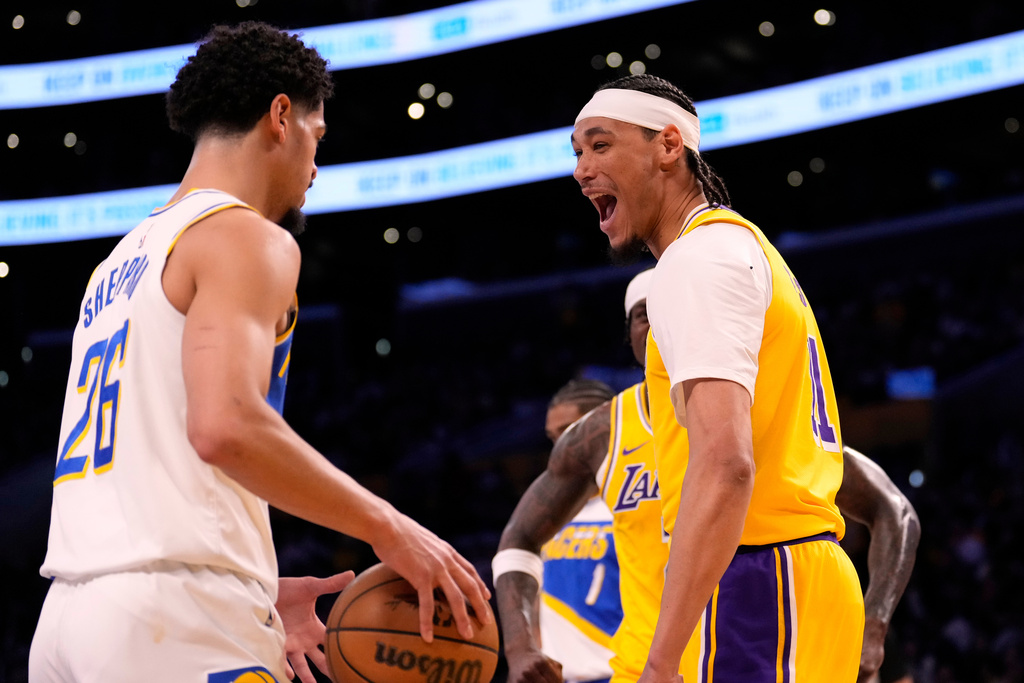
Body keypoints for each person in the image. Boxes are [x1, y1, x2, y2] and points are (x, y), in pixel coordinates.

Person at [28, 22, 489, 683]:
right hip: (175, 617)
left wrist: (252, 579)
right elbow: (226, 425)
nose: (315, 166)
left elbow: (151, 464)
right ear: (281, 116)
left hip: (72, 617)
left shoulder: (118, 263)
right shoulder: (245, 236)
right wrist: (389, 527)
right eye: (317, 136)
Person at [572, 72, 865, 681]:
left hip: (760, 583)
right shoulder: (738, 247)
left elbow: (726, 463)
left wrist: (661, 657)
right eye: (577, 153)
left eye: (600, 146)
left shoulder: (697, 259)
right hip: (797, 576)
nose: (581, 169)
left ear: (669, 147)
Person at [495, 268, 920, 682]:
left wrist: (876, 623)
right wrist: (519, 647)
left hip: (756, 650)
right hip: (642, 669)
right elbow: (519, 537)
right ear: (630, 337)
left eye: (672, 308)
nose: (662, 321)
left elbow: (895, 511)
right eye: (646, 313)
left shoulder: (752, 413)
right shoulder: (601, 434)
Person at [537, 379, 621, 683]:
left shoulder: (635, 502)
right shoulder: (546, 514)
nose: (561, 446)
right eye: (553, 436)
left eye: (570, 431)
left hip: (621, 673)